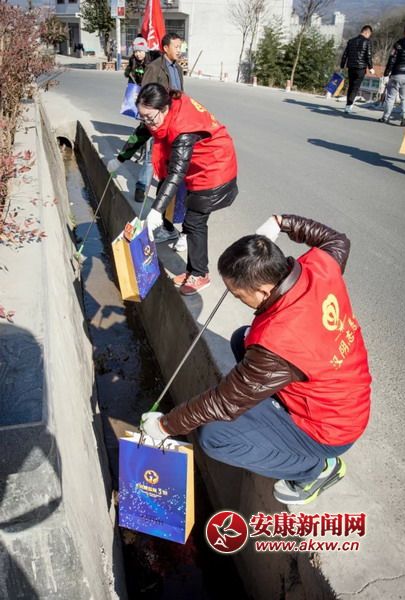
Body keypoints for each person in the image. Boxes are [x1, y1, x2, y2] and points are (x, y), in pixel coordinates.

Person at [140, 214, 372, 505]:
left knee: (215, 437)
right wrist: (281, 222)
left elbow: (224, 402)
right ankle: (276, 411)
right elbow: (337, 239)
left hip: (328, 430)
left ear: (263, 290)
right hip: (345, 397)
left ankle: (315, 471)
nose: (238, 299)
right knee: (243, 338)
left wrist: (165, 426)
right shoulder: (320, 267)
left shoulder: (279, 342)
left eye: (239, 295)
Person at [107, 84, 238, 296]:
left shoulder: (182, 128)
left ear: (164, 108)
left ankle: (200, 275)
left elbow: (175, 173)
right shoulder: (159, 112)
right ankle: (193, 270)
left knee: (194, 222)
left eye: (150, 117)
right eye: (142, 116)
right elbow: (143, 131)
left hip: (214, 168)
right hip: (197, 167)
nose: (147, 122)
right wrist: (120, 158)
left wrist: (156, 211)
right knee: (191, 220)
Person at [135, 33, 185, 245]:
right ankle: (162, 220)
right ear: (165, 48)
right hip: (159, 127)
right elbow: (145, 98)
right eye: (176, 46)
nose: (179, 50)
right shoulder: (154, 68)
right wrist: (149, 123)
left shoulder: (178, 69)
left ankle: (168, 223)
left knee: (173, 176)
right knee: (160, 169)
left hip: (175, 127)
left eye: (180, 47)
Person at [378, 23, 405, 127]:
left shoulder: (398, 43)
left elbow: (392, 59)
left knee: (391, 96)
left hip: (396, 73)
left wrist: (386, 72)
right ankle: (404, 117)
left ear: (404, 31)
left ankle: (385, 117)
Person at [340, 25, 375, 114]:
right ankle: (349, 106)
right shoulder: (367, 42)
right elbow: (368, 56)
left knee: (351, 86)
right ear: (367, 32)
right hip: (361, 68)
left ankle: (348, 105)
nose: (369, 36)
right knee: (355, 87)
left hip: (351, 67)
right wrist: (371, 67)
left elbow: (345, 55)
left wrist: (342, 65)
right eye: (369, 35)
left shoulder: (351, 41)